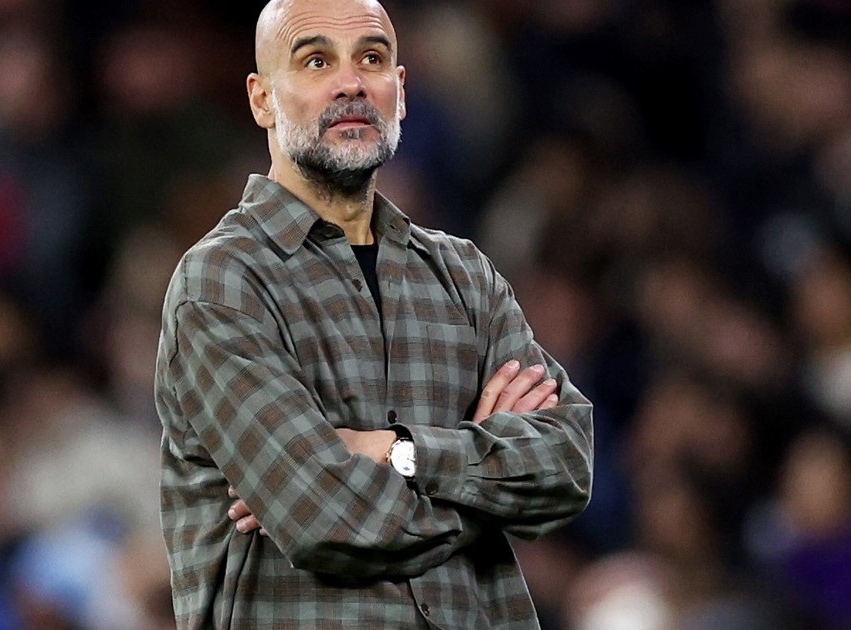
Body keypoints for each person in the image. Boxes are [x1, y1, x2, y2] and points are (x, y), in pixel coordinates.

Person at [153, 0, 595, 627]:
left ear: (401, 90)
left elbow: (568, 461)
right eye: (315, 61)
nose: (351, 83)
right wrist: (486, 484)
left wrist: (393, 451)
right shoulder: (223, 282)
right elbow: (327, 519)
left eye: (372, 58)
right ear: (261, 99)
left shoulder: (465, 275)